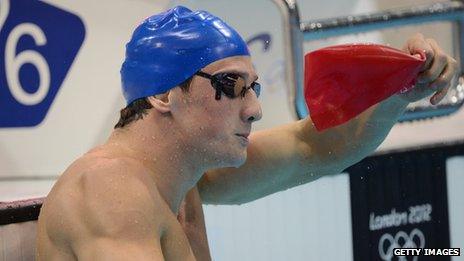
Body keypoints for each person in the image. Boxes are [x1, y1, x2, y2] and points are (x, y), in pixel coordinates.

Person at [36, 6, 459, 261]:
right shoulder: (110, 188)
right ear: (166, 96)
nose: (255, 109)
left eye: (253, 88)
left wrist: (401, 87)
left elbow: (316, 146)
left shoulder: (184, 179)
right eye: (231, 86)